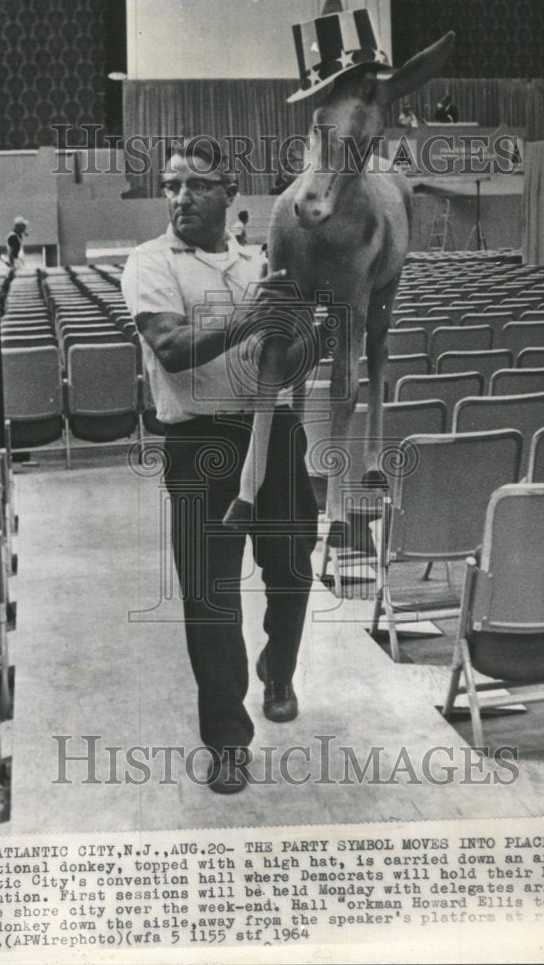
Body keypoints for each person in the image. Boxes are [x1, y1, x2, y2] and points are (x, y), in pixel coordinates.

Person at [121, 139, 321, 794]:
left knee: (292, 571)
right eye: (172, 186)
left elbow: (292, 359)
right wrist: (250, 316)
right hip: (200, 446)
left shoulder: (260, 262)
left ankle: (279, 667)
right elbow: (173, 349)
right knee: (212, 601)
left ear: (229, 193)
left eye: (197, 186)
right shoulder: (149, 263)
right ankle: (228, 741)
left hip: (275, 431)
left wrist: (310, 334)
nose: (180, 197)